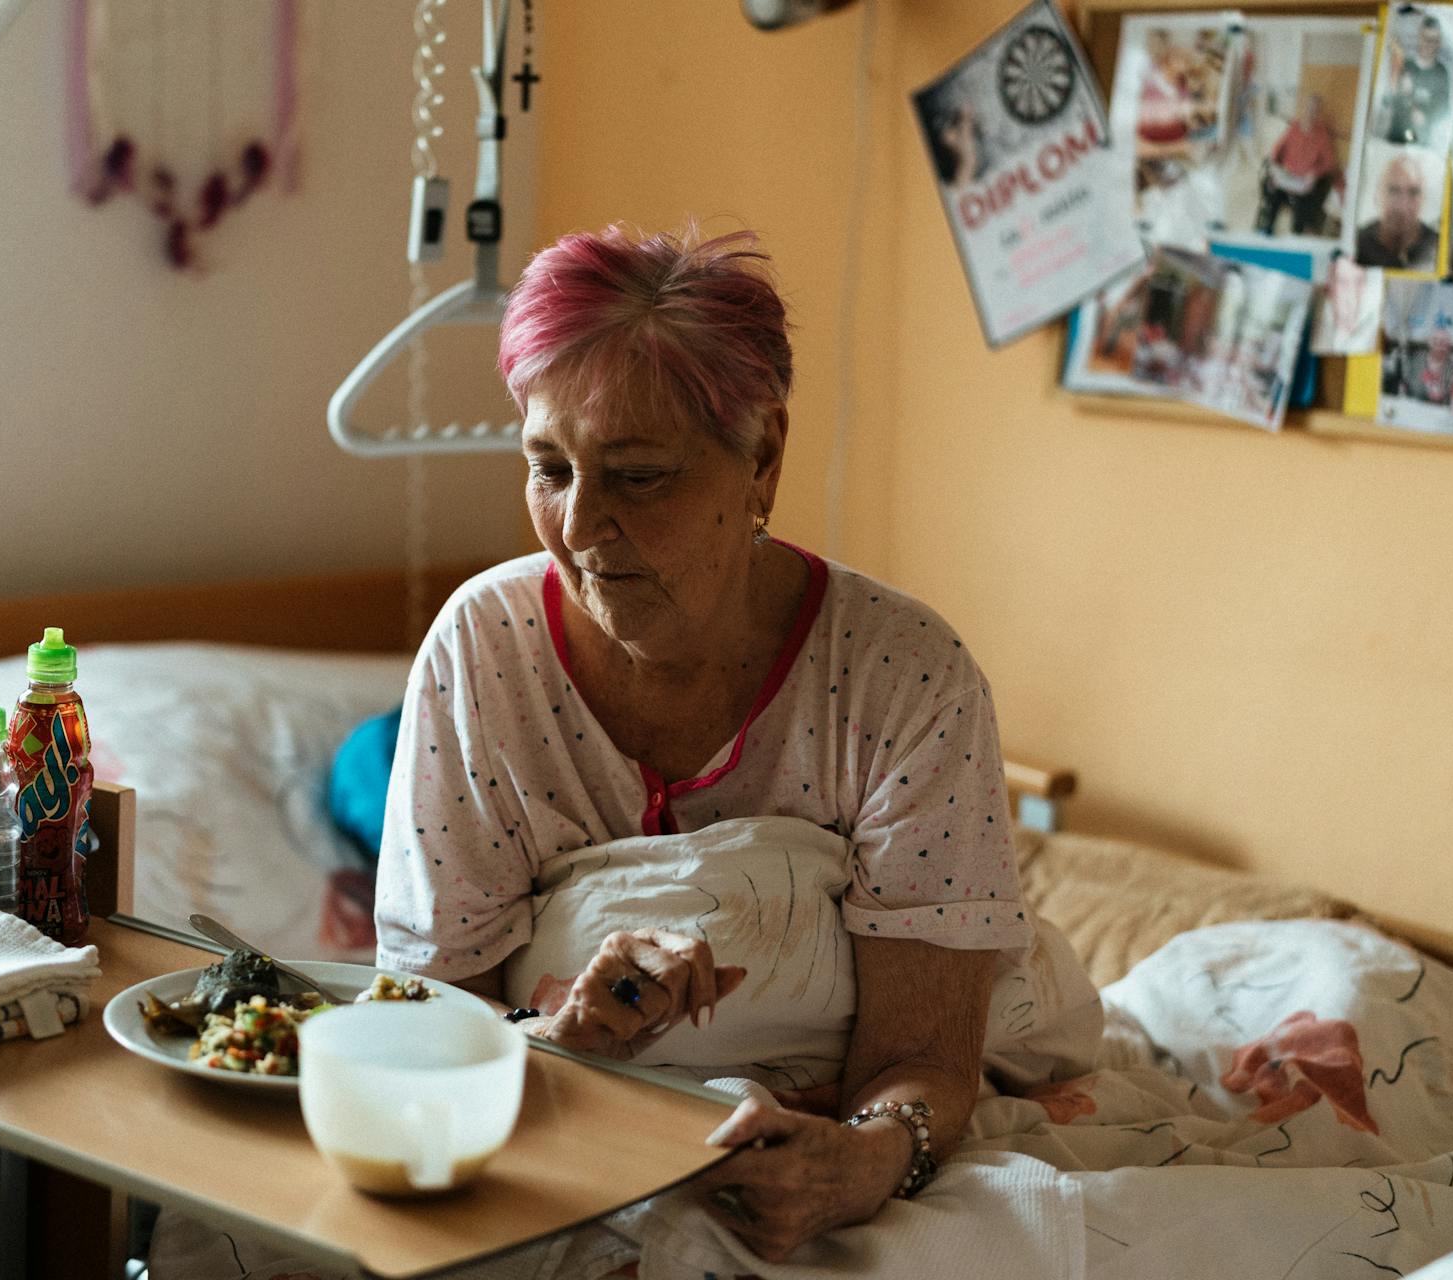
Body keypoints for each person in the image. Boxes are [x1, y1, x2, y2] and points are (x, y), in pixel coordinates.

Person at [367, 224, 1085, 1267]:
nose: (580, 524)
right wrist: (567, 1040)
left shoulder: (904, 677)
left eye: (639, 475)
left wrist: (862, 1158)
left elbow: (924, 1059)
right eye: (548, 466)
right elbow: (429, 1026)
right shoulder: (485, 651)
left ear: (763, 460)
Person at [1256, 93, 1342, 235]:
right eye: (1309, 108)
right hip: (1286, 176)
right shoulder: (1294, 127)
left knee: (1306, 199)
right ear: (1304, 109)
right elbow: (1276, 151)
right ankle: (1266, 229)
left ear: (1318, 112)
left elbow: (1329, 163)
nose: (1310, 112)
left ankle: (1297, 233)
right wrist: (1275, 169)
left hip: (1303, 181)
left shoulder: (1322, 134)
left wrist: (1315, 173)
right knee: (1271, 188)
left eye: (1314, 110)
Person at [1355, 153, 1440, 270]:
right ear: (1377, 194)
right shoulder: (1356, 244)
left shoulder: (1438, 248)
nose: (1403, 205)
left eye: (1413, 192)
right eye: (1393, 191)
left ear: (1423, 199)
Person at [1378, 15, 1453, 147]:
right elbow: (1386, 101)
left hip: (1422, 143)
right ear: (1419, 38)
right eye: (1425, 38)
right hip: (1395, 139)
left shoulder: (1442, 73)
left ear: (1439, 42)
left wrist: (1425, 116)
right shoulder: (1404, 66)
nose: (1429, 44)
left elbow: (1444, 108)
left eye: (1433, 40)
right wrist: (1397, 88)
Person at [1415, 334, 1453, 404]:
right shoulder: (1419, 362)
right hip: (1420, 405)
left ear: (1448, 348)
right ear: (1430, 345)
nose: (1440, 348)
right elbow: (1414, 389)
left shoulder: (1452, 367)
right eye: (1436, 343)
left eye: (1443, 344)